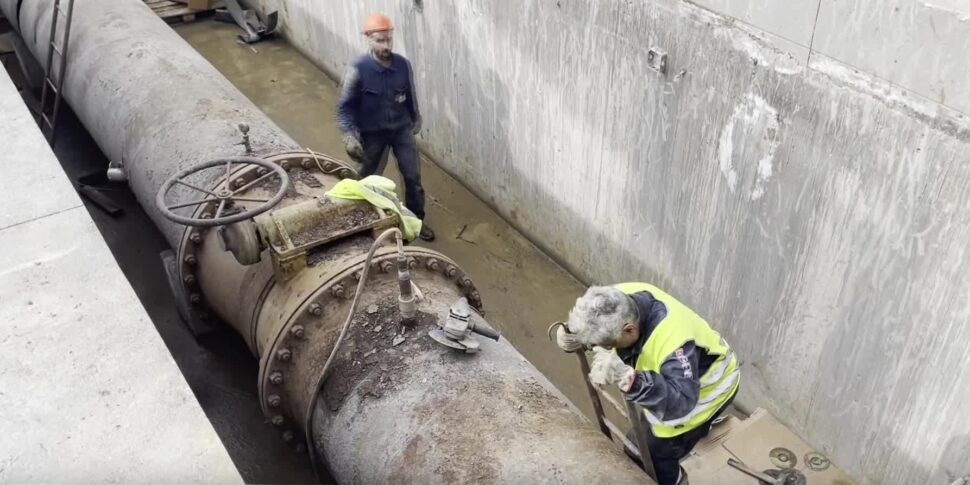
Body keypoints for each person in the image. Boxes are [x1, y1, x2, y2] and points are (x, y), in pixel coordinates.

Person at [555, 283, 740, 485]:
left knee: (657, 449)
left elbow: (681, 403)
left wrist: (634, 381)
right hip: (677, 374)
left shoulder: (674, 343)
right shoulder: (618, 297)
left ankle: (674, 480)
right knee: (639, 443)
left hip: (709, 386)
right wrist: (576, 335)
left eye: (608, 345)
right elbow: (593, 316)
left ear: (629, 329)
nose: (603, 349)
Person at [336, 12, 434, 241]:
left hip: (401, 131)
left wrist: (415, 119)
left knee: (413, 178)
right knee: (366, 179)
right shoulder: (358, 70)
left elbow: (410, 94)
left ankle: (416, 222)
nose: (386, 45)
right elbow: (344, 109)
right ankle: (362, 221)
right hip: (372, 135)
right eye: (380, 40)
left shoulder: (402, 65)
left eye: (388, 39)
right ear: (368, 40)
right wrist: (349, 136)